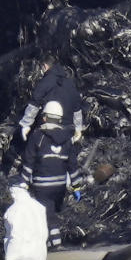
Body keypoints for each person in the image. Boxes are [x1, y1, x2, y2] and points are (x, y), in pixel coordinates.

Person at [21, 101, 79, 248]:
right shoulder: (68, 138)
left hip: (42, 185)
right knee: (52, 210)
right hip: (60, 186)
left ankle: (56, 246)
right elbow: (72, 164)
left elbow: (28, 161)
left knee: (47, 216)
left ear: (44, 118)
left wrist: (24, 183)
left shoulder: (37, 136)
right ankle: (48, 242)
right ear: (60, 119)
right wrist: (77, 186)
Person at [18, 54, 83, 142]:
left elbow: (34, 104)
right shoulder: (70, 83)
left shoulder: (45, 82)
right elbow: (77, 108)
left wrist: (25, 124)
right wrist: (78, 128)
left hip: (48, 129)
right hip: (67, 130)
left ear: (44, 66)